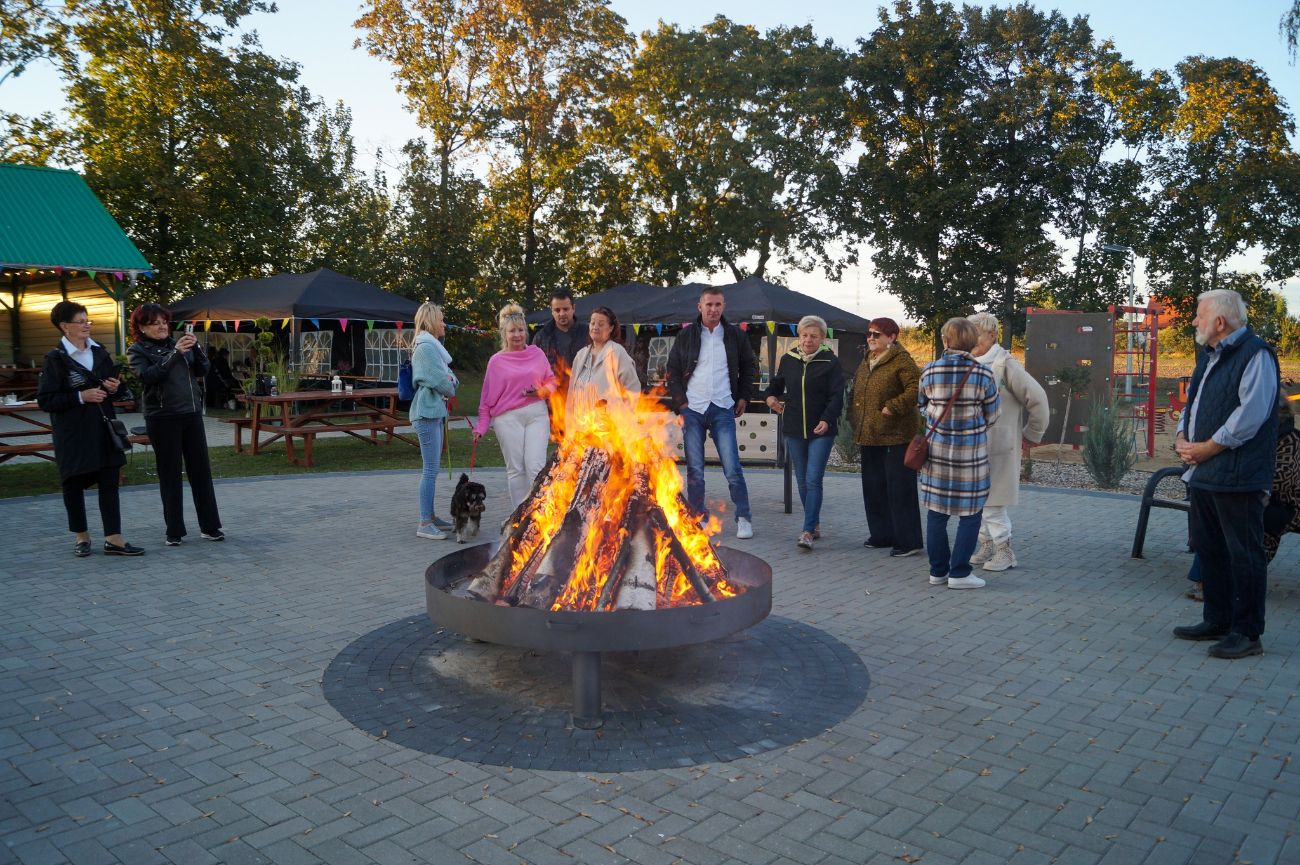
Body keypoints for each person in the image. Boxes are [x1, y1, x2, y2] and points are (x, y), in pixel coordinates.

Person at [1173, 288, 1280, 659]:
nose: (1194, 321)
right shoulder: (1209, 355)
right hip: (1204, 469)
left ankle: (1248, 633)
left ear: (1220, 321)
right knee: (1210, 548)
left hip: (1238, 473)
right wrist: (1183, 438)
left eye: (1199, 315)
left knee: (1244, 554)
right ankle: (1217, 620)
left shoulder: (1256, 354)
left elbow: (1251, 414)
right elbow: (1195, 403)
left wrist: (1207, 447)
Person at [38, 301, 144, 557]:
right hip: (72, 433)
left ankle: (114, 539)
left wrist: (113, 388)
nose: (87, 325)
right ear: (65, 327)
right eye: (80, 321)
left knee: (109, 480)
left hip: (102, 428)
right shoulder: (55, 359)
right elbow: (46, 400)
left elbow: (116, 390)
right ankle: (81, 536)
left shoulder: (99, 352)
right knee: (73, 483)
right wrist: (81, 397)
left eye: (88, 320)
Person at [128, 303, 225, 545]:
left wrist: (197, 349)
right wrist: (176, 354)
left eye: (164, 322)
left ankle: (210, 526)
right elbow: (148, 376)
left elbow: (203, 369)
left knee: (201, 472)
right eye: (155, 323)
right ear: (141, 327)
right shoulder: (137, 350)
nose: (162, 326)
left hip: (190, 414)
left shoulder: (177, 343)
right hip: (162, 417)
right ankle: (174, 531)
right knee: (170, 474)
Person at [665, 286, 758, 539]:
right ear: (700, 307)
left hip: (722, 406)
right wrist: (681, 402)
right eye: (709, 305)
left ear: (723, 306)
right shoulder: (686, 336)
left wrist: (744, 396)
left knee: (732, 467)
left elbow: (750, 366)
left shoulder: (734, 335)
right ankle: (698, 517)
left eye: (718, 304)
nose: (713, 309)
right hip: (693, 408)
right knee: (695, 469)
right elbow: (672, 370)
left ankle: (744, 517)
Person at [918, 317, 1000, 589]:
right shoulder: (983, 374)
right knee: (971, 513)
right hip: (971, 456)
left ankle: (937, 571)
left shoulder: (929, 371)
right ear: (974, 342)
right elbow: (993, 414)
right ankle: (960, 573)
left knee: (936, 513)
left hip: (937, 454)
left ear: (946, 341)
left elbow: (921, 405)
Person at [967, 312, 1050, 573]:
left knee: (993, 501)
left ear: (992, 335)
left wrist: (1031, 434)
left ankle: (1005, 550)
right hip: (971, 444)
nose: (973, 339)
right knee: (978, 500)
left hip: (999, 444)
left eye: (977, 333)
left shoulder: (1005, 365)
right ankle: (987, 545)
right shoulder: (967, 361)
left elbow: (1037, 399)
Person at [764, 315, 844, 550]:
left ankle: (807, 531)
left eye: (814, 336)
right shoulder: (788, 359)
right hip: (793, 427)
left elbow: (837, 395)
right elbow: (777, 385)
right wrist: (769, 396)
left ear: (822, 338)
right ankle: (815, 523)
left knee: (813, 479)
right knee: (801, 480)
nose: (808, 340)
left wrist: (827, 420)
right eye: (805, 335)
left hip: (821, 429)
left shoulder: (830, 361)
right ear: (799, 336)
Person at [847, 317, 924, 558]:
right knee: (873, 487)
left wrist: (894, 405)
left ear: (892, 337)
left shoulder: (902, 361)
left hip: (896, 435)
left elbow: (917, 388)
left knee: (899, 489)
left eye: (877, 334)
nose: (871, 338)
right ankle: (882, 535)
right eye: (869, 333)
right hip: (869, 434)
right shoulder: (867, 359)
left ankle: (908, 541)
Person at [474, 304, 556, 508]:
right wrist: (481, 427)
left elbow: (552, 381)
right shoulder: (496, 361)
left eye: (521, 330)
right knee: (516, 469)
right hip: (507, 418)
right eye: (512, 331)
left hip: (537, 413)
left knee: (536, 466)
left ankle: (538, 513)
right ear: (504, 333)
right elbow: (486, 399)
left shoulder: (537, 353)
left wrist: (541, 391)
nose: (518, 335)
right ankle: (518, 516)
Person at [410, 302, 458, 540]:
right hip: (426, 412)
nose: (443, 323)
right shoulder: (426, 349)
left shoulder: (432, 348)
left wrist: (450, 381)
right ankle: (424, 521)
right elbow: (446, 383)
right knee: (429, 470)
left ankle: (430, 515)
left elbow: (449, 379)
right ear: (430, 321)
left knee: (432, 468)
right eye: (440, 319)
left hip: (433, 412)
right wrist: (450, 382)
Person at [565, 306, 640, 423]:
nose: (595, 327)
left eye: (601, 324)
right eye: (592, 323)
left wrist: (622, 420)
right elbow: (571, 393)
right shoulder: (581, 355)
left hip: (609, 429)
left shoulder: (617, 352)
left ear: (611, 328)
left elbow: (632, 389)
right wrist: (568, 423)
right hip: (581, 427)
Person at [531, 288, 589, 390]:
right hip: (553, 399)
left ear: (573, 308)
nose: (561, 314)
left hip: (583, 395)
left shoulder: (589, 333)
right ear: (551, 311)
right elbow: (532, 368)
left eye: (565, 309)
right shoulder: (541, 337)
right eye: (557, 310)